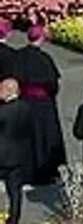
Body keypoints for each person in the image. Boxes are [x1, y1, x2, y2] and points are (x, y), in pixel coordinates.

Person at [10, 25, 65, 187]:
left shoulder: (18, 56)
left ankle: (24, 172)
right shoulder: (45, 59)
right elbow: (52, 84)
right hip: (42, 106)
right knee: (44, 139)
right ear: (41, 38)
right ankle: (45, 174)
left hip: (23, 103)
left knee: (24, 139)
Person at [0, 78, 31, 224]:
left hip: (2, 156)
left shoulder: (3, 112)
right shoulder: (26, 108)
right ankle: (13, 220)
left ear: (7, 91)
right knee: (15, 192)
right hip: (19, 156)